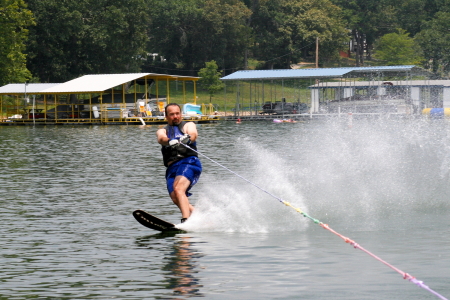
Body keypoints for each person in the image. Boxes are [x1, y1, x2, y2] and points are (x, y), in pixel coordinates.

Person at [156, 103, 202, 223]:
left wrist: (188, 138)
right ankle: (199, 216)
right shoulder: (163, 130)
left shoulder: (188, 125)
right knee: (175, 197)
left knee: (178, 189)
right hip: (172, 168)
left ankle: (185, 220)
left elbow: (193, 134)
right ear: (166, 116)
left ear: (181, 114)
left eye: (177, 113)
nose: (175, 116)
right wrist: (170, 141)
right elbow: (161, 138)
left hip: (189, 162)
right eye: (172, 114)